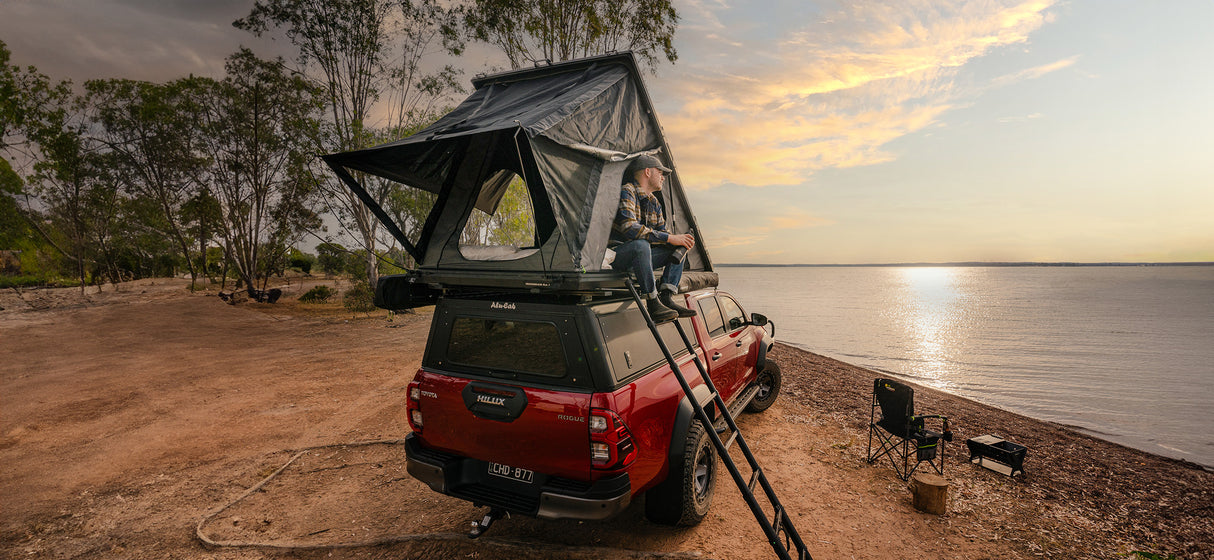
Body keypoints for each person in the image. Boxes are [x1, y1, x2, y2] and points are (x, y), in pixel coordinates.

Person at [610, 154, 697, 323]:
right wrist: (670, 238)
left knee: (680, 244)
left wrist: (679, 241)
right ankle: (652, 301)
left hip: (643, 258)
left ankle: (666, 296)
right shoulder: (627, 190)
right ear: (648, 172)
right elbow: (629, 227)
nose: (663, 177)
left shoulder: (654, 202)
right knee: (641, 245)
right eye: (660, 172)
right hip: (618, 255)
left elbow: (664, 237)